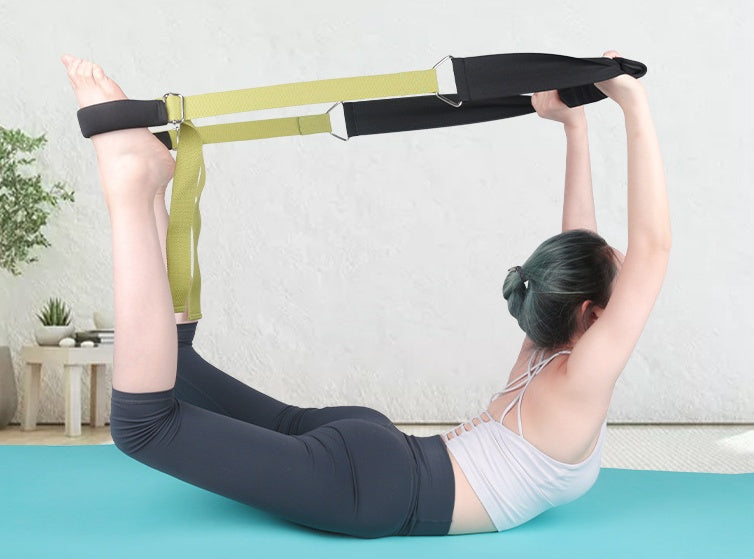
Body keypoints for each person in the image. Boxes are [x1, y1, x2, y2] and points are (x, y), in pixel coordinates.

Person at [60, 49, 670, 539]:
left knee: (175, 370)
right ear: (593, 311)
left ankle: (145, 182)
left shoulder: (552, 344)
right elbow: (648, 250)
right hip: (376, 485)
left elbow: (597, 246)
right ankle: (133, 185)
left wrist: (580, 126)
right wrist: (624, 107)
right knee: (143, 425)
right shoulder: (577, 370)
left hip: (378, 451)